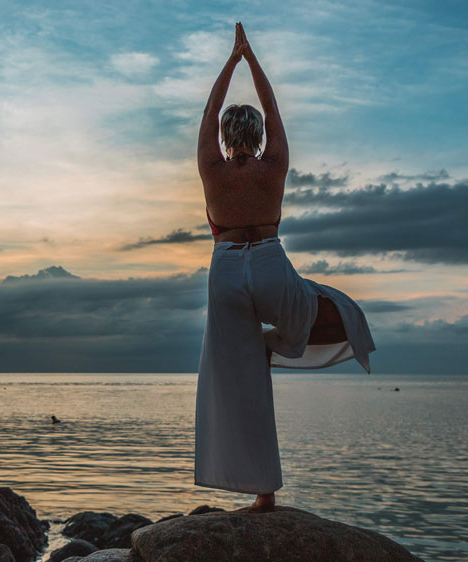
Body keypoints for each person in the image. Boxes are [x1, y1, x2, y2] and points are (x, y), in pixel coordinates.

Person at [193, 22, 376, 512]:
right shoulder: (273, 166)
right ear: (256, 135)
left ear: (227, 137)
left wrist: (229, 62)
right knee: (308, 314)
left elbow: (210, 113)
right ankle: (280, 345)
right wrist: (251, 59)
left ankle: (261, 489)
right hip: (270, 263)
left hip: (227, 268)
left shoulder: (211, 169)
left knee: (238, 378)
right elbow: (272, 110)